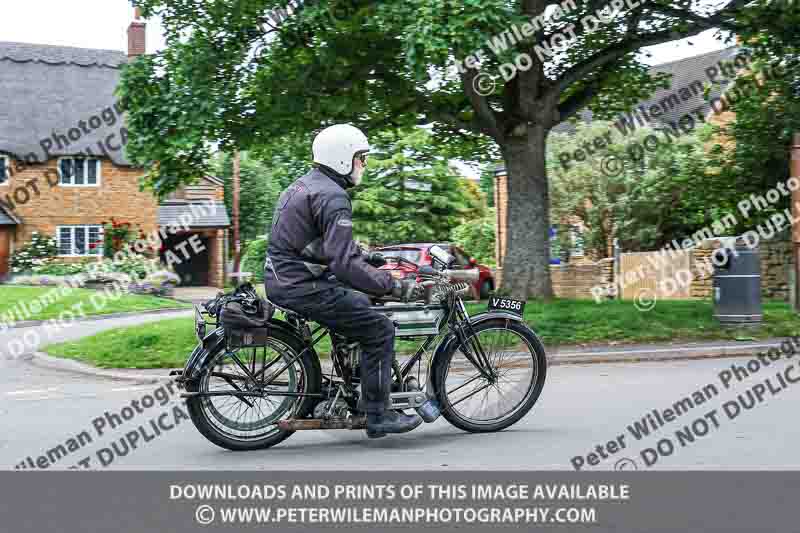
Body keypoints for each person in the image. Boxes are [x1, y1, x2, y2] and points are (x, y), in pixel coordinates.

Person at [264, 124, 423, 439]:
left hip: (285, 278)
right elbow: (344, 264)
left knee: (358, 304)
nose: (363, 164)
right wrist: (393, 285)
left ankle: (353, 381)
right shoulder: (333, 196)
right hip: (300, 285)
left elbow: (318, 244)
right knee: (379, 328)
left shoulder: (306, 185)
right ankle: (378, 414)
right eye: (360, 158)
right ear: (341, 158)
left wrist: (366, 256)